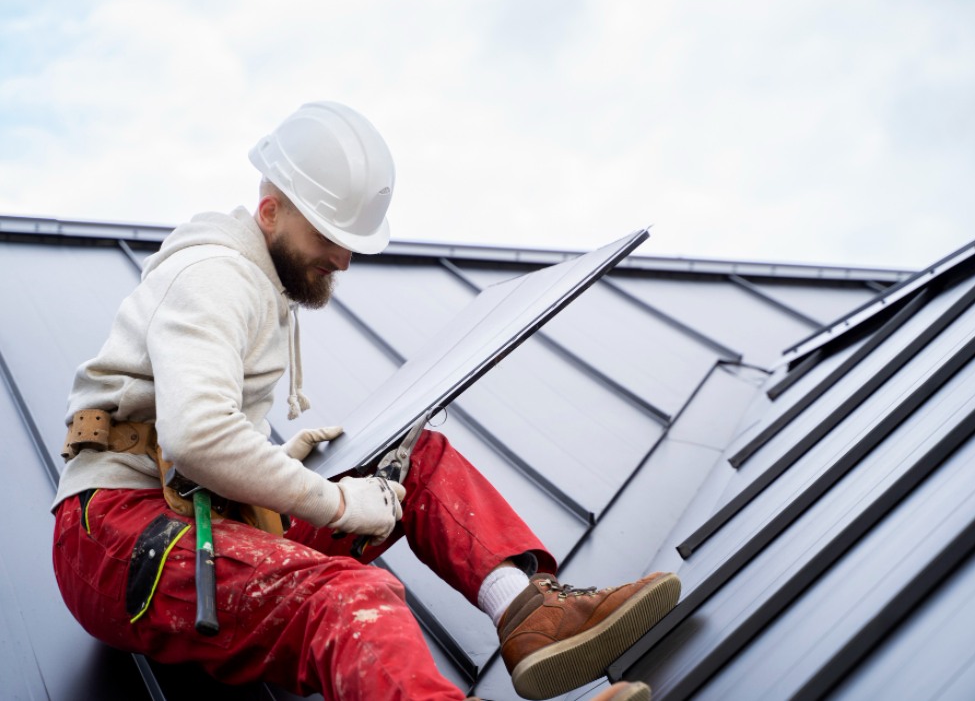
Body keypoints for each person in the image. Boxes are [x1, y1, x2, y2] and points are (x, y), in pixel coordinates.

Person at [51, 101, 681, 701]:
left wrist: (277, 468)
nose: (344, 258)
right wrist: (334, 499)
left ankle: (526, 610)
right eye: (329, 233)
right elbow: (198, 438)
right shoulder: (215, 276)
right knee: (349, 594)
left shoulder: (259, 283)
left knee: (415, 457)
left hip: (193, 517)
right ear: (270, 212)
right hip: (116, 536)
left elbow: (194, 440)